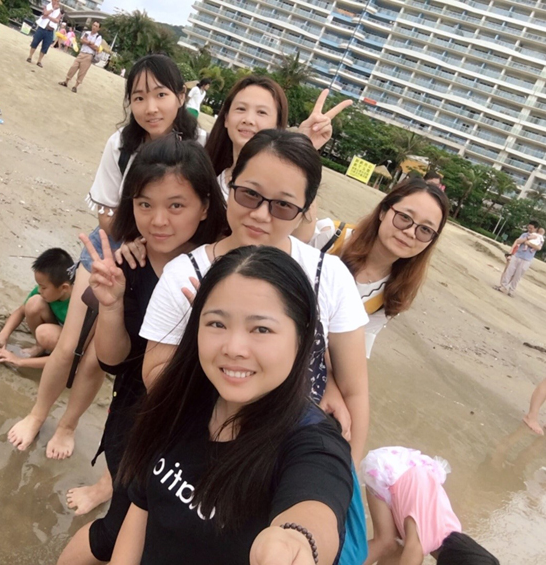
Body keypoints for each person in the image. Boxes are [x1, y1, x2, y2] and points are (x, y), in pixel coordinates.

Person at [76, 246, 355, 565]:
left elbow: (316, 504)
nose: (234, 348)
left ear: (302, 337)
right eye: (217, 324)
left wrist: (296, 540)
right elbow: (142, 507)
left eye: (261, 329)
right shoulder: (181, 399)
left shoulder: (313, 445)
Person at [7, 54, 206, 459]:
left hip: (161, 257)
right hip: (112, 246)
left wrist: (151, 243)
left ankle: (68, 425)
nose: (150, 108)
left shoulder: (200, 144)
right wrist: (131, 239)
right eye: (139, 97)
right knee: (68, 345)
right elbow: (105, 211)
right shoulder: (121, 144)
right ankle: (36, 414)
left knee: (98, 357)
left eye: (161, 95)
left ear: (181, 97)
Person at [140, 129, 370, 464]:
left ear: (305, 210)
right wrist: (200, 332)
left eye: (283, 205)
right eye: (249, 194)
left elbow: (355, 391)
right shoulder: (185, 274)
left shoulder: (329, 276)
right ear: (230, 184)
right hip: (207, 446)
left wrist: (345, 474)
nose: (261, 215)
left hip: (294, 457)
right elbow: (155, 376)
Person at [58, 136, 228, 562]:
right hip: (135, 421)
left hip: (199, 429)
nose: (158, 221)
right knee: (114, 534)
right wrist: (111, 304)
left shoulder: (224, 269)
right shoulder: (128, 265)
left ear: (204, 207)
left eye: (176, 205)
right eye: (144, 204)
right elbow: (112, 360)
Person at [311, 179, 449, 358]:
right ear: (383, 211)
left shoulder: (392, 294)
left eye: (425, 230)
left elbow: (354, 353)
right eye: (404, 217)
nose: (410, 232)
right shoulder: (328, 237)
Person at [204, 75, 352, 243]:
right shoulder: (205, 175)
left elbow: (302, 237)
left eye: (261, 112)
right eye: (240, 109)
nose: (248, 120)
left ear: (277, 124)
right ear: (226, 118)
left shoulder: (283, 189)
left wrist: (303, 148)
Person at [361, 446, 499, 565]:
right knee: (386, 542)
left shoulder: (453, 531)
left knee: (400, 547)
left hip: (413, 474)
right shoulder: (418, 547)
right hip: (389, 471)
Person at [0, 248, 73, 369]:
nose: (39, 290)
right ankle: (40, 347)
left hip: (72, 343)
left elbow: (70, 356)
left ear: (64, 288)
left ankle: (48, 350)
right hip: (59, 330)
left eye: (43, 287)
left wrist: (19, 361)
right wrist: (2, 336)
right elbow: (20, 311)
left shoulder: (78, 306)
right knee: (34, 302)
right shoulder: (49, 291)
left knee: (45, 333)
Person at [494, 220, 542, 297]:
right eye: (529, 227)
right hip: (517, 255)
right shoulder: (525, 234)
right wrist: (528, 238)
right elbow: (518, 241)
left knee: (518, 275)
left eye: (531, 228)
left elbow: (538, 247)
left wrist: (529, 243)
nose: (529, 229)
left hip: (527, 259)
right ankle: (503, 286)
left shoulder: (539, 238)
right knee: (509, 271)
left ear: (536, 229)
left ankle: (511, 290)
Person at [59, 21, 102, 93]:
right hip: (81, 53)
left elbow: (96, 47)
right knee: (73, 67)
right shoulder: (87, 33)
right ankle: (66, 81)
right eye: (94, 25)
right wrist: (90, 42)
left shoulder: (98, 37)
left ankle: (75, 86)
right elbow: (82, 40)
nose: (94, 27)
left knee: (82, 71)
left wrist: (86, 42)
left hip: (89, 55)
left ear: (98, 29)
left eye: (96, 26)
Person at [26, 0, 62, 68]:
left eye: (58, 1)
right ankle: (30, 56)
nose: (57, 2)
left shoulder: (59, 11)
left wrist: (48, 17)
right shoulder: (47, 6)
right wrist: (52, 9)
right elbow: (45, 13)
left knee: (45, 46)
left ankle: (39, 61)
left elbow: (57, 20)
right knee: (35, 42)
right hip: (42, 28)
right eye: (56, 1)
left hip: (50, 30)